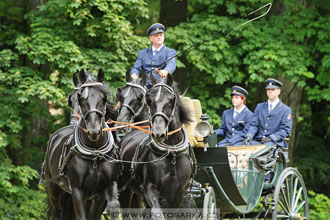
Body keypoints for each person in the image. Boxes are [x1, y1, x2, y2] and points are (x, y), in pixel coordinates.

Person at [243, 78, 292, 147]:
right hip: (258, 140)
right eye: (268, 89)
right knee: (244, 146)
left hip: (274, 142)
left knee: (264, 150)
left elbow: (285, 130)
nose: (270, 91)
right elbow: (254, 125)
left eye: (273, 89)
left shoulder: (286, 110)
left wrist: (271, 137)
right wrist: (249, 136)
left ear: (279, 91)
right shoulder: (259, 107)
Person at [130, 23, 176, 90]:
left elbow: (171, 64)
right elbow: (136, 68)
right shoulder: (143, 53)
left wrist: (166, 70)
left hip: (162, 86)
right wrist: (134, 75)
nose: (159, 37)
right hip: (144, 87)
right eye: (156, 35)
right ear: (151, 38)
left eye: (161, 35)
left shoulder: (170, 52)